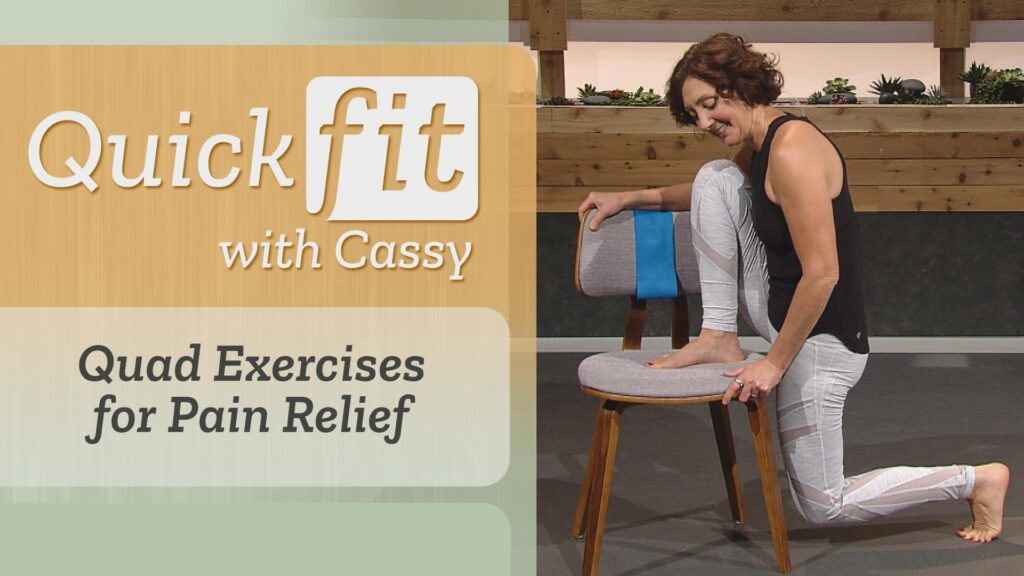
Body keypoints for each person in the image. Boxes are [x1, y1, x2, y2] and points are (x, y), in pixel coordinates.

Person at [577, 33, 1009, 542]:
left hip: (822, 342)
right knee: (715, 177)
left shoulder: (794, 148)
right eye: (694, 113)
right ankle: (716, 334)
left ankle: (976, 480)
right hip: (777, 308)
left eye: (709, 105)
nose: (703, 122)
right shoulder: (758, 147)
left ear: (741, 85)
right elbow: (705, 192)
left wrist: (772, 363)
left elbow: (824, 273)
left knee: (824, 505)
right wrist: (630, 197)